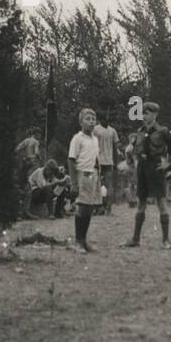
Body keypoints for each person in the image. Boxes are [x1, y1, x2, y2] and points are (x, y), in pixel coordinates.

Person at [123, 102, 171, 249]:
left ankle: (166, 240)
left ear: (155, 115)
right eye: (142, 113)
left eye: (147, 113)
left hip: (156, 168)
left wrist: (168, 163)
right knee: (141, 203)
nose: (144, 116)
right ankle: (135, 239)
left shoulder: (163, 131)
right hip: (142, 168)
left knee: (161, 203)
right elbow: (136, 149)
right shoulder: (140, 131)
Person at [67, 108, 103, 253]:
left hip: (93, 175)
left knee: (89, 208)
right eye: (88, 119)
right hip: (82, 175)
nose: (91, 122)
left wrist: (99, 174)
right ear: (81, 122)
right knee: (82, 208)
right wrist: (74, 183)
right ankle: (77, 241)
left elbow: (95, 158)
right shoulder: (77, 138)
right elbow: (71, 160)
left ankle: (83, 240)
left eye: (93, 119)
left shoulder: (95, 139)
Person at [93, 111, 121, 216]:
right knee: (100, 184)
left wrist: (116, 161)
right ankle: (101, 208)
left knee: (106, 185)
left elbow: (115, 147)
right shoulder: (97, 129)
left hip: (106, 161)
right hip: (99, 160)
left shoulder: (111, 131)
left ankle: (107, 208)